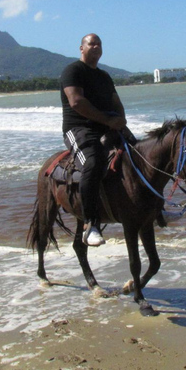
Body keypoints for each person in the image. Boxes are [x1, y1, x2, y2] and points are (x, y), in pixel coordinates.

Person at [60, 33, 127, 246]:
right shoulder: (73, 71)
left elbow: (116, 101)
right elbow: (77, 102)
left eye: (99, 43)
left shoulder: (105, 76)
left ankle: (156, 209)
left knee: (141, 154)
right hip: (78, 129)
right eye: (92, 43)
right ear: (82, 48)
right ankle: (91, 224)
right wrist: (108, 119)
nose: (96, 46)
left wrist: (121, 120)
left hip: (106, 126)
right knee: (94, 162)